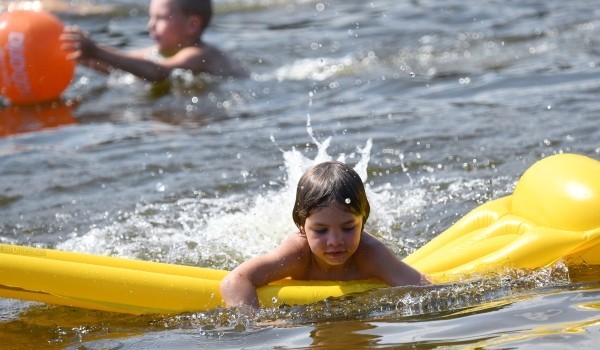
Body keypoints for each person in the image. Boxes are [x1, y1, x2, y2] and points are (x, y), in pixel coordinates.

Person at [220, 161, 430, 308]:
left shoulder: (370, 253)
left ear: (363, 222)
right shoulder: (298, 253)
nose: (335, 241)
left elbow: (425, 288)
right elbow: (235, 281)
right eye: (321, 230)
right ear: (302, 226)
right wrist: (257, 327)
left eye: (348, 228)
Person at [60, 0, 245, 82]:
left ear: (192, 25)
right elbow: (122, 63)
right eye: (151, 17)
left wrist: (96, 51)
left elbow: (159, 72)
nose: (150, 25)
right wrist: (82, 56)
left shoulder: (198, 54)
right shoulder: (161, 51)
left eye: (160, 18)